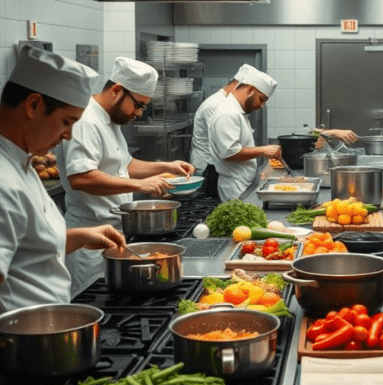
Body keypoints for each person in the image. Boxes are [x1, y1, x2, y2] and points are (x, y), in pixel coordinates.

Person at [0, 46, 126, 312]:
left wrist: (79, 236)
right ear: (33, 105)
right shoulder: (3, 179)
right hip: (23, 341)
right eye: (67, 122)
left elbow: (28, 252)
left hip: (47, 329)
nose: (68, 135)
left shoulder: (21, 163)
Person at [58, 57, 195, 296]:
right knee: (92, 302)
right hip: (87, 239)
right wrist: (140, 184)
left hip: (112, 232)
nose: (140, 113)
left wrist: (167, 166)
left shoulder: (109, 121)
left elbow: (125, 165)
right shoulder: (86, 121)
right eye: (139, 105)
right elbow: (81, 178)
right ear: (116, 90)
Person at [208, 66, 281, 200]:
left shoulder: (237, 112)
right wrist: (263, 150)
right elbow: (229, 153)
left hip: (242, 183)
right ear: (250, 90)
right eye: (262, 99)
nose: (261, 105)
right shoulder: (227, 113)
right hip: (235, 187)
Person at [190, 64, 251, 198]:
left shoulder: (226, 104)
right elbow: (225, 144)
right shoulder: (216, 106)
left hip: (214, 165)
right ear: (236, 86)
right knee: (211, 208)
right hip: (209, 167)